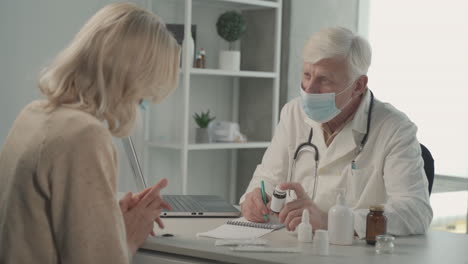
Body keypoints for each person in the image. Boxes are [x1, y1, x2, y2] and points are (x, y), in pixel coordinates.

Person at [0, 3, 180, 263]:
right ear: (131, 79)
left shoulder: (34, 114)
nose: (145, 101)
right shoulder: (84, 135)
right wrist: (130, 236)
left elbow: (38, 224)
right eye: (147, 89)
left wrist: (107, 221)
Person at [240, 27, 432, 237]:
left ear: (358, 85)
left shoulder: (394, 128)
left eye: (324, 80)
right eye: (306, 75)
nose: (309, 89)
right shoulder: (292, 113)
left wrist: (331, 222)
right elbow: (268, 177)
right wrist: (255, 198)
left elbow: (415, 212)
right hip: (292, 246)